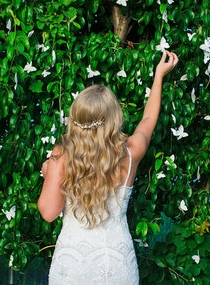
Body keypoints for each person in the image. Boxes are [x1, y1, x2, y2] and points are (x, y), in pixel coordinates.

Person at [38, 50, 179, 284]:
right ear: (114, 118)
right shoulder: (130, 152)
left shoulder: (61, 155)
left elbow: (48, 212)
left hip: (72, 264)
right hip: (115, 262)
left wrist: (49, 173)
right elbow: (147, 121)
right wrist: (158, 76)